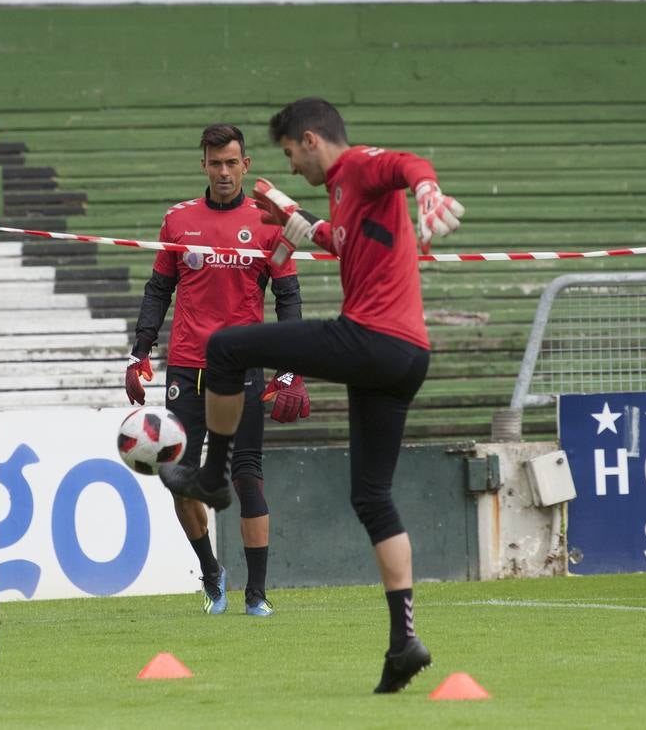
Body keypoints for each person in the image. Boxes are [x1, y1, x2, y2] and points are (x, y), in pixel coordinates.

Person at [160, 97, 465, 693]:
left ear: (309, 139)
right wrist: (299, 223)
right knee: (372, 497)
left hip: (370, 339)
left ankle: (212, 476)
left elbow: (407, 163)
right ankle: (404, 641)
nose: (293, 167)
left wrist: (428, 191)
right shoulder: (341, 199)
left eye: (291, 156)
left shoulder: (357, 167)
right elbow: (341, 240)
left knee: (226, 348)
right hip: (407, 359)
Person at [125, 123, 311, 618]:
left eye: (232, 162)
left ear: (245, 166)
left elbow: (287, 296)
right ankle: (211, 574)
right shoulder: (178, 220)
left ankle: (256, 594)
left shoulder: (269, 224)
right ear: (202, 164)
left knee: (248, 479)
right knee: (178, 477)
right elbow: (158, 289)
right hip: (187, 369)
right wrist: (138, 351)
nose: (224, 171)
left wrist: (291, 369)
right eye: (215, 162)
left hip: (243, 370)